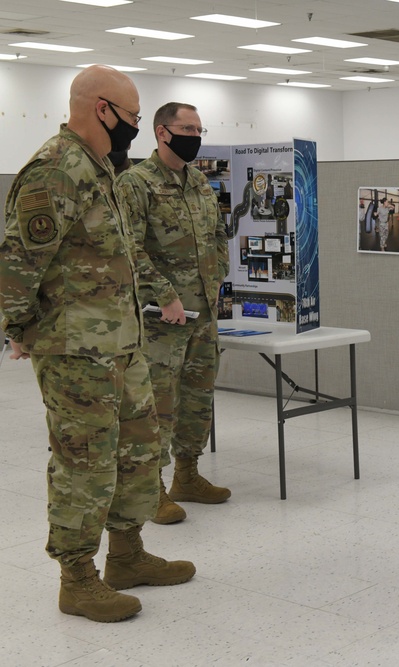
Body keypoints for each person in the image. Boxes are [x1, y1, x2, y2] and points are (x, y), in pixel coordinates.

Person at [0, 65, 196, 623]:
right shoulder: (54, 171)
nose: (136, 126)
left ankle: (127, 556)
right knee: (84, 464)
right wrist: (17, 329)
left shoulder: (102, 168)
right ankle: (77, 578)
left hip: (122, 341)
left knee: (137, 451)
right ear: (102, 109)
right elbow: (17, 262)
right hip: (75, 352)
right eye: (134, 117)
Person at [117, 102, 231, 525]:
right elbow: (128, 246)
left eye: (200, 128)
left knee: (198, 401)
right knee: (158, 407)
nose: (196, 135)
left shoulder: (199, 181)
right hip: (161, 319)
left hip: (203, 314)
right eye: (188, 128)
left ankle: (188, 475)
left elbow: (219, 234)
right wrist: (164, 294)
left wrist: (216, 279)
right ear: (162, 132)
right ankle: (155, 490)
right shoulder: (136, 183)